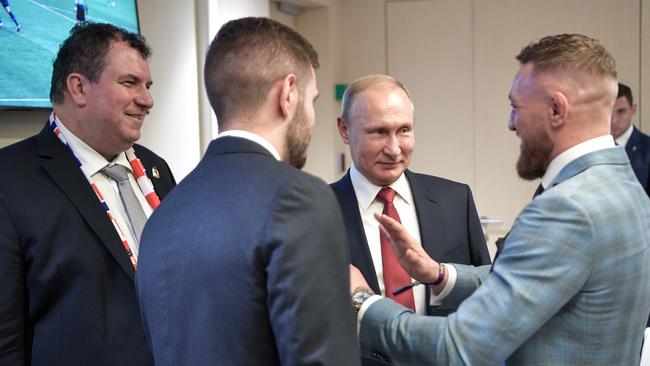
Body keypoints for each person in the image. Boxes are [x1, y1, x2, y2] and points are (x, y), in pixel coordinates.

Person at [350, 33, 650, 365]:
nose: (511, 124)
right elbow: (530, 280)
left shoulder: (566, 208)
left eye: (516, 107)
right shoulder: (626, 185)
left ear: (555, 109)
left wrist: (362, 304)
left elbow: (457, 347)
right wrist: (438, 274)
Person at [136, 17, 360, 366]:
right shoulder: (297, 198)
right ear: (288, 94)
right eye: (313, 101)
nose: (313, 118)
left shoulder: (164, 214)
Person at [0, 23, 176, 365]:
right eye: (129, 83)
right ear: (78, 87)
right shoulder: (9, 179)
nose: (147, 100)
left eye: (148, 86)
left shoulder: (157, 170)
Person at [331, 74, 490, 365]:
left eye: (403, 130)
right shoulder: (319, 211)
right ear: (344, 129)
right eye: (378, 132)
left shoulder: (456, 200)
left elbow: (486, 297)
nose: (394, 149)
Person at [611, 82, 650, 197]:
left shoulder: (648, 149)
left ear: (633, 110)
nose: (613, 121)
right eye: (609, 112)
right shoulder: (592, 147)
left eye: (621, 111)